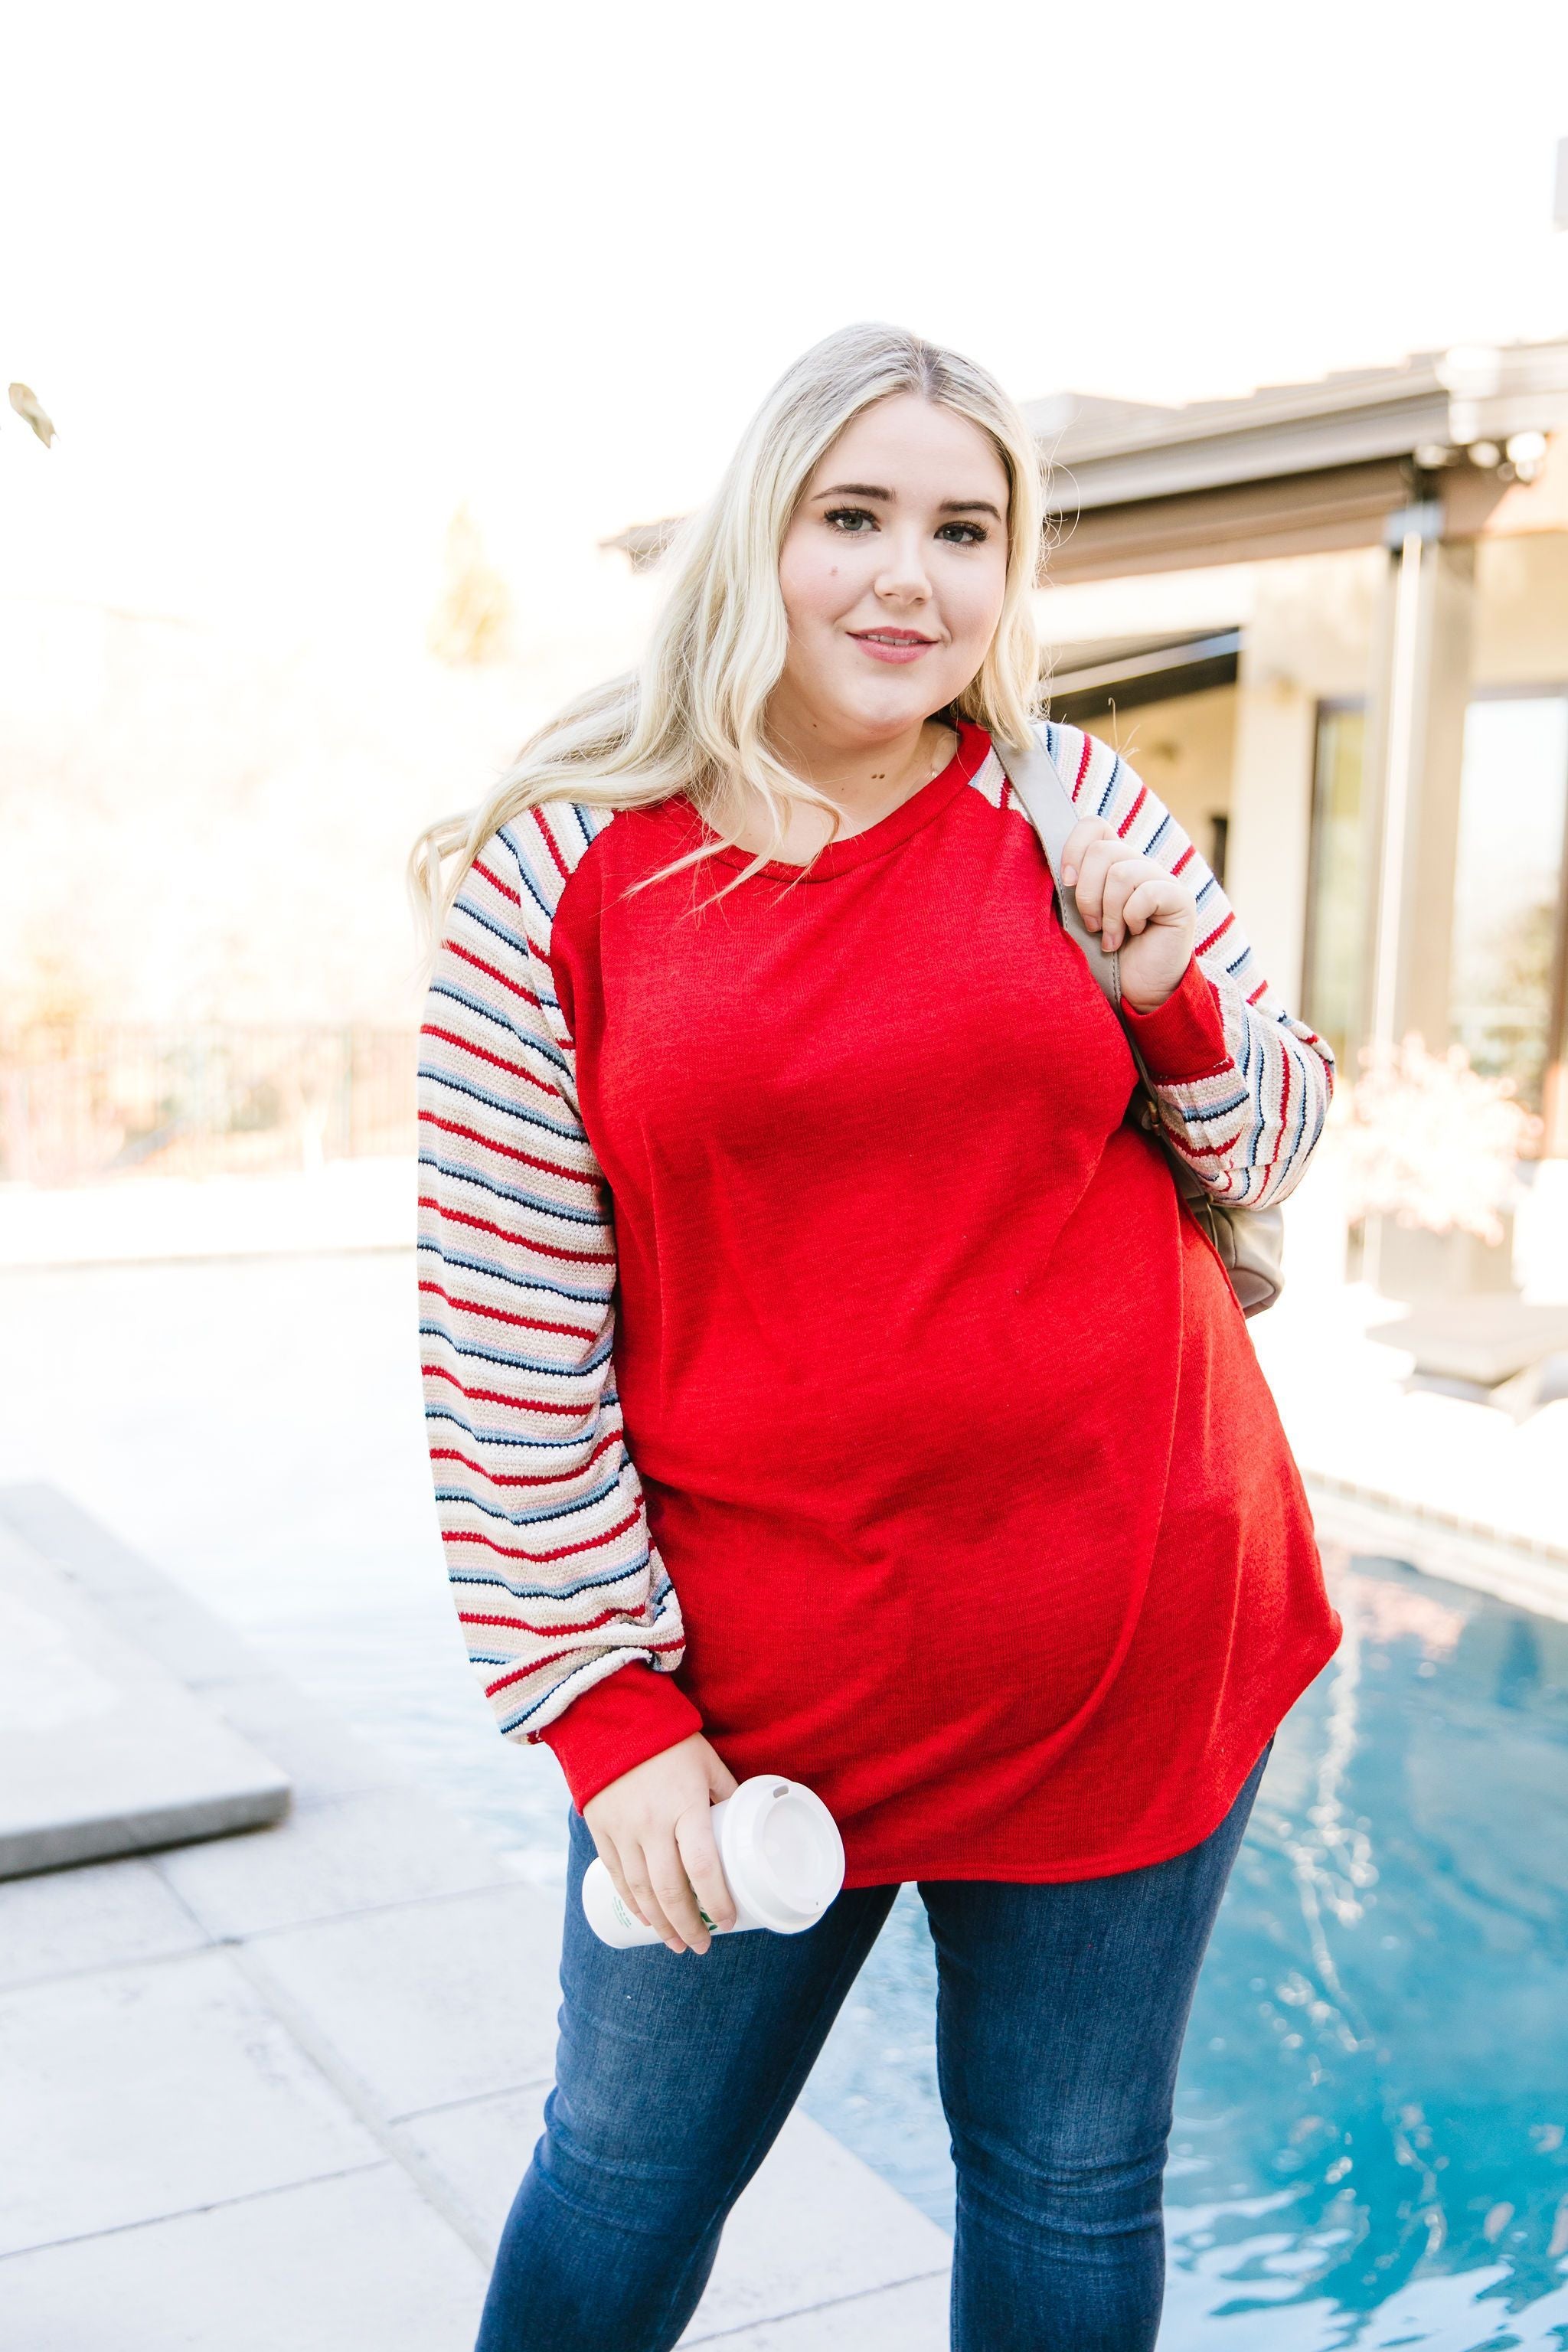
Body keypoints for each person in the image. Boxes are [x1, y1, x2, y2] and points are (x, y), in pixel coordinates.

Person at [410, 323, 1341, 2352]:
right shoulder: (565, 867)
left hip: (1129, 1634)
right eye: (855, 517)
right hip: (753, 1689)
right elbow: (504, 1333)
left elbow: (1276, 1137)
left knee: (1070, 2185)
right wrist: (605, 1706)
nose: (909, 578)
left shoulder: (1073, 801)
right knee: (625, 2172)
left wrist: (1166, 997)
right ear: (763, 532)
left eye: (964, 531)